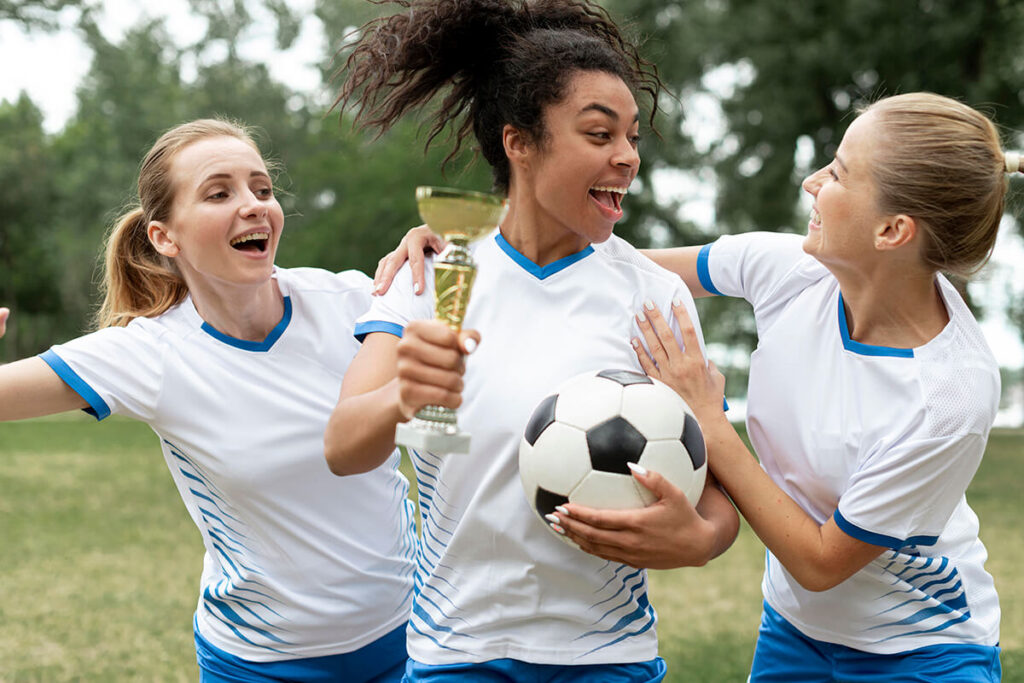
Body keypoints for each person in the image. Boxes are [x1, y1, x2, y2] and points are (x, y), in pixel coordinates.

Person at [325, 0, 740, 680]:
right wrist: (405, 392)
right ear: (520, 142)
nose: (628, 157)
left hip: (607, 656)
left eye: (633, 136)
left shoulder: (652, 296)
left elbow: (718, 490)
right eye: (600, 134)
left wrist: (697, 539)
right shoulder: (434, 276)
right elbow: (343, 446)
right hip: (454, 655)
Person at [583, 92, 1006, 681]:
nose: (811, 182)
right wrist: (466, 248)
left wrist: (708, 420)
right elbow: (603, 266)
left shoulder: (949, 398)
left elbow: (820, 562)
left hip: (923, 652)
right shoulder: (788, 271)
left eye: (837, 172)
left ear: (892, 230)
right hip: (793, 633)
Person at [0, 119, 419, 682]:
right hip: (258, 661)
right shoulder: (149, 354)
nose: (253, 205)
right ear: (163, 238)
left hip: (412, 639)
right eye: (219, 193)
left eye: (262, 189)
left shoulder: (357, 303)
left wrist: (448, 253)